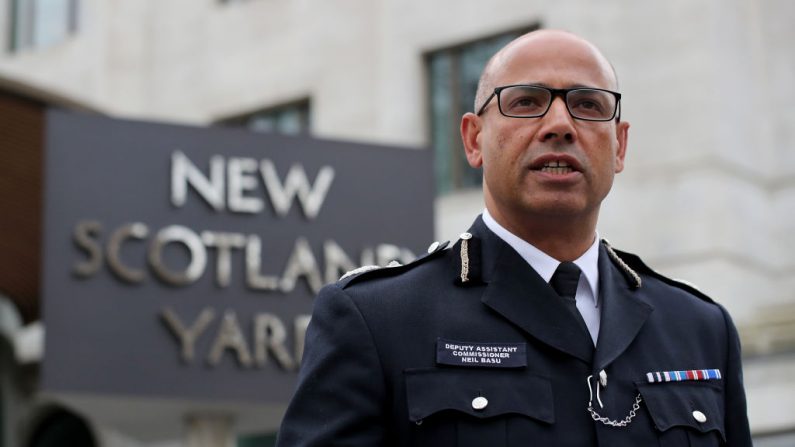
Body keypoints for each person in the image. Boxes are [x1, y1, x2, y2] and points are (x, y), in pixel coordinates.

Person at [276, 29, 752, 446]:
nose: (561, 126)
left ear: (620, 145)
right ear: (472, 139)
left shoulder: (699, 329)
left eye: (587, 105)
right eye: (526, 102)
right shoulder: (378, 320)